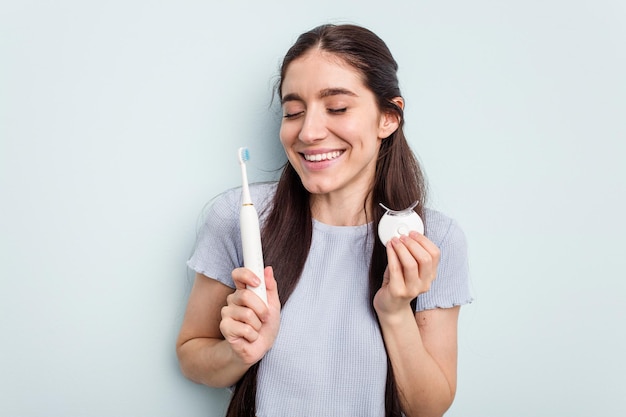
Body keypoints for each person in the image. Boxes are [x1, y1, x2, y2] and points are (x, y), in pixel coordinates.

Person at [176, 23, 472, 417]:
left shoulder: (435, 241)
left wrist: (396, 311)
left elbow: (428, 407)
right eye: (293, 112)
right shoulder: (237, 218)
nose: (309, 132)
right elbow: (192, 354)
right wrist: (238, 353)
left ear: (388, 117)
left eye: (337, 108)